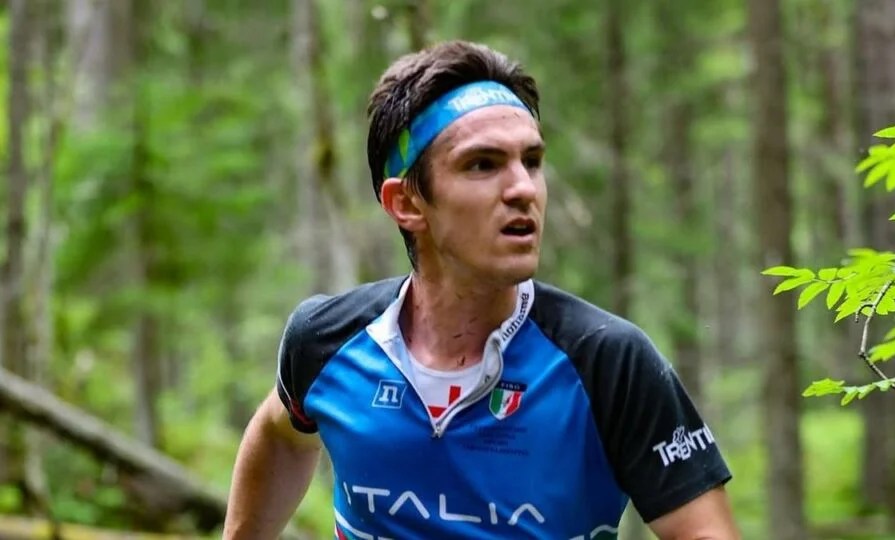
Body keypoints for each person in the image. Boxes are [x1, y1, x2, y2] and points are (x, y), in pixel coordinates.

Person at [224, 40, 738, 540]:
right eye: (482, 164)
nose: (523, 189)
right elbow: (280, 435)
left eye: (531, 161)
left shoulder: (606, 361)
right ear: (406, 203)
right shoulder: (326, 342)